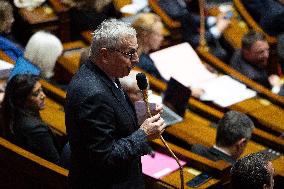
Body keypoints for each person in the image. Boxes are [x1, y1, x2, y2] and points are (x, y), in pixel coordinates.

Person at [65, 19, 166, 188]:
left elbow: (113, 124)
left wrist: (140, 117)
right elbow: (104, 157)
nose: (136, 59)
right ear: (105, 55)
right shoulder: (93, 94)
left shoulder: (104, 74)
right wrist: (143, 133)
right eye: (129, 53)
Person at [1, 74, 60, 164]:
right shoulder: (36, 129)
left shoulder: (9, 111)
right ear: (22, 100)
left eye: (41, 90)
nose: (43, 96)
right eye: (36, 94)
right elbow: (55, 161)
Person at [157, 0, 230, 61]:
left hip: (197, 37)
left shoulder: (177, 4)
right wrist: (216, 30)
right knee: (224, 53)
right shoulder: (176, 12)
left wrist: (213, 20)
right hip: (193, 48)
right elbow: (192, 40)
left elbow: (190, 17)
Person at [131, 13, 167, 83]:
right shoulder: (145, 64)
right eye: (158, 35)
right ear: (145, 36)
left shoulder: (130, 53)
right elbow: (163, 86)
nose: (162, 38)